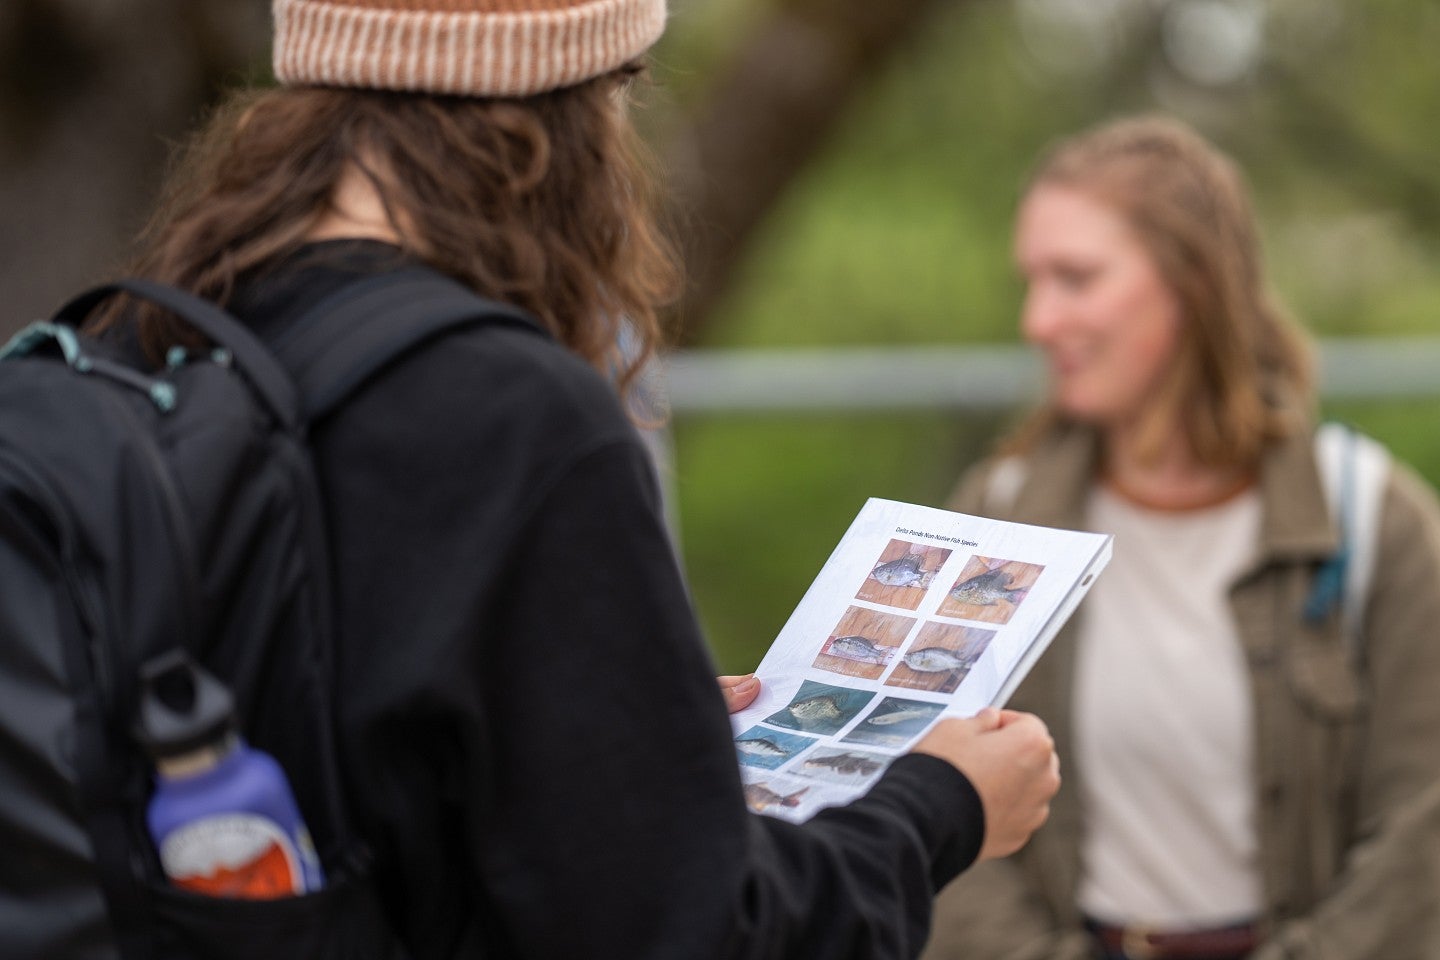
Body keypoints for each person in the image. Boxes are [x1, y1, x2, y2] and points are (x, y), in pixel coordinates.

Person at [91, 1, 1061, 958]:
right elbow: (701, 928)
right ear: (556, 113)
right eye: (623, 84)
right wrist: (944, 805)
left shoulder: (155, 339)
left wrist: (626, 706)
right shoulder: (518, 414)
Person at [920, 115, 1440, 960]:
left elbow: (1422, 832)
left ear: (1192, 283)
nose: (1038, 321)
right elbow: (926, 794)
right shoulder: (999, 514)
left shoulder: (1375, 521)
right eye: (1032, 281)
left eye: (1075, 279)